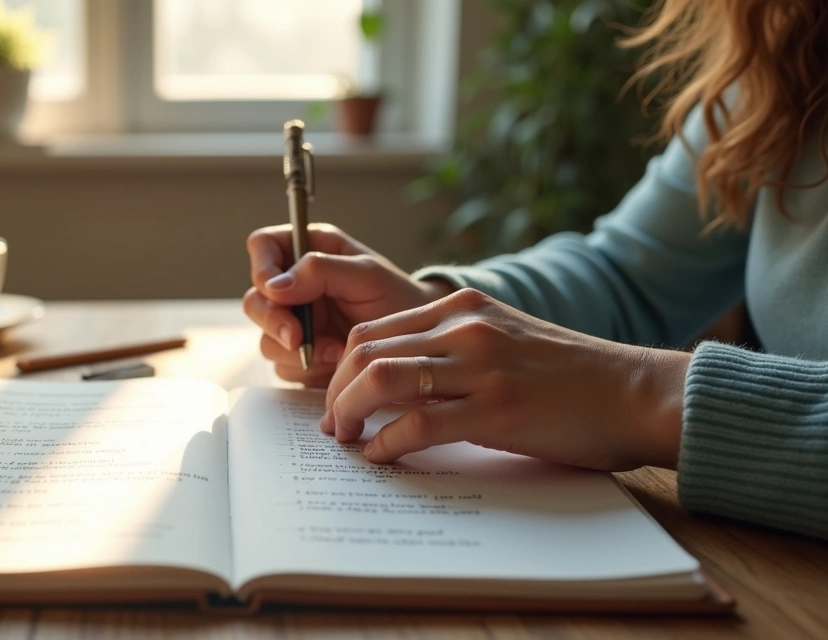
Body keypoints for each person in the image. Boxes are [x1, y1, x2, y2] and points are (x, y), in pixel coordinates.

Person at [243, 0, 828, 541]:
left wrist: (643, 394)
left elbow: (630, 363)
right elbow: (627, 275)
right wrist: (425, 310)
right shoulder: (789, 53)